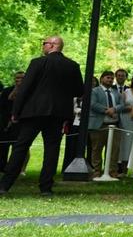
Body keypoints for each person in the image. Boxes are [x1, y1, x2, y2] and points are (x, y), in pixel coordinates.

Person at [0, 37, 83, 196]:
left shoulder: (38, 63)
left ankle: (5, 184)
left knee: (21, 147)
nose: (42, 46)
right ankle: (46, 187)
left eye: (44, 43)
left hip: (34, 112)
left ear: (52, 45)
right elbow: (79, 90)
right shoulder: (72, 66)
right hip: (58, 114)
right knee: (52, 149)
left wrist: (15, 112)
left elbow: (25, 88)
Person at [87, 70, 123, 175]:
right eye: (108, 77)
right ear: (102, 79)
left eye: (112, 78)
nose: (110, 80)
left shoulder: (116, 92)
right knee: (97, 149)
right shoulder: (95, 91)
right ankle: (97, 171)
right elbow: (93, 104)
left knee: (114, 150)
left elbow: (122, 105)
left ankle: (112, 172)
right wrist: (107, 111)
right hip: (99, 125)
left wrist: (115, 109)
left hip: (114, 125)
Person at [114, 69, 133, 174]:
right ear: (115, 76)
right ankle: (111, 167)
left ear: (126, 77)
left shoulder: (129, 89)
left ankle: (124, 169)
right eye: (118, 75)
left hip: (129, 120)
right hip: (112, 118)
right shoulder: (111, 88)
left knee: (126, 143)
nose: (120, 77)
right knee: (113, 144)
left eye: (123, 76)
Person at [0, 71, 22, 174]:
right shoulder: (7, 91)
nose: (19, 80)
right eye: (17, 78)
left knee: (18, 148)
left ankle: (15, 168)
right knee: (3, 146)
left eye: (22, 78)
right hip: (6, 123)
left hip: (20, 124)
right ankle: (2, 167)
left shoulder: (30, 92)